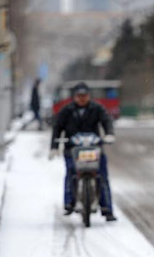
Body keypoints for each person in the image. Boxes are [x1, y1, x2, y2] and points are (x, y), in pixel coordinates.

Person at [50, 82, 117, 221]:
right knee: (70, 173)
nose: (82, 98)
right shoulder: (66, 110)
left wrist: (109, 134)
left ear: (88, 96)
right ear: (74, 97)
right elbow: (57, 128)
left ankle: (107, 208)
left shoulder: (97, 108)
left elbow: (106, 121)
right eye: (79, 96)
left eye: (84, 96)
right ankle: (69, 203)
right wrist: (54, 147)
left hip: (94, 149)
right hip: (71, 150)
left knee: (102, 175)